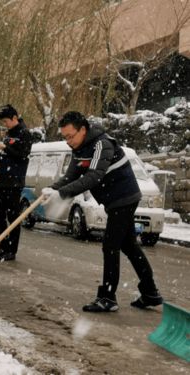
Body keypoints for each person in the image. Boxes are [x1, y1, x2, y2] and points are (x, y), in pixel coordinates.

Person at [45, 111, 163, 312]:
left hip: (124, 198)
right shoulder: (78, 149)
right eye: (65, 137)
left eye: (71, 136)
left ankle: (108, 298)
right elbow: (70, 177)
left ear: (83, 129)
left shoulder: (102, 144)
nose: (68, 141)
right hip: (114, 201)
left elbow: (94, 177)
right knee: (129, 246)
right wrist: (53, 190)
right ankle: (150, 293)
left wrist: (63, 193)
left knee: (110, 245)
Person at [0, 104, 32, 261]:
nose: (5, 124)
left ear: (15, 118)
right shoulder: (8, 134)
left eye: (6, 121)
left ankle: (11, 250)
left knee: (13, 216)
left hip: (14, 182)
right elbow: (6, 156)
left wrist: (5, 148)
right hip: (2, 181)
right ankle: (2, 247)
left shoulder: (25, 134)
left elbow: (22, 155)